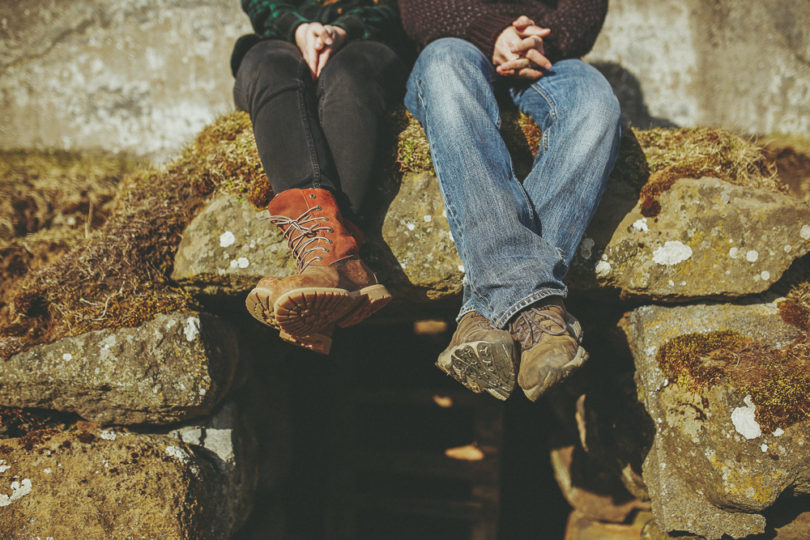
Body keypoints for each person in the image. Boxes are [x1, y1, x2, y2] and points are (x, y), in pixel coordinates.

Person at [398, 0, 622, 401]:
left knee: (596, 108)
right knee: (445, 66)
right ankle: (535, 312)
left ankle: (481, 314)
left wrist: (534, 41)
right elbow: (417, 9)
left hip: (548, 57)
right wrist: (493, 33)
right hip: (456, 45)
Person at [231, 0, 407, 354]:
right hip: (278, 40)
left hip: (366, 42)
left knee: (349, 76)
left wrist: (345, 29)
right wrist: (297, 27)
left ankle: (329, 258)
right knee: (270, 65)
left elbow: (396, 8)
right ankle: (341, 263)